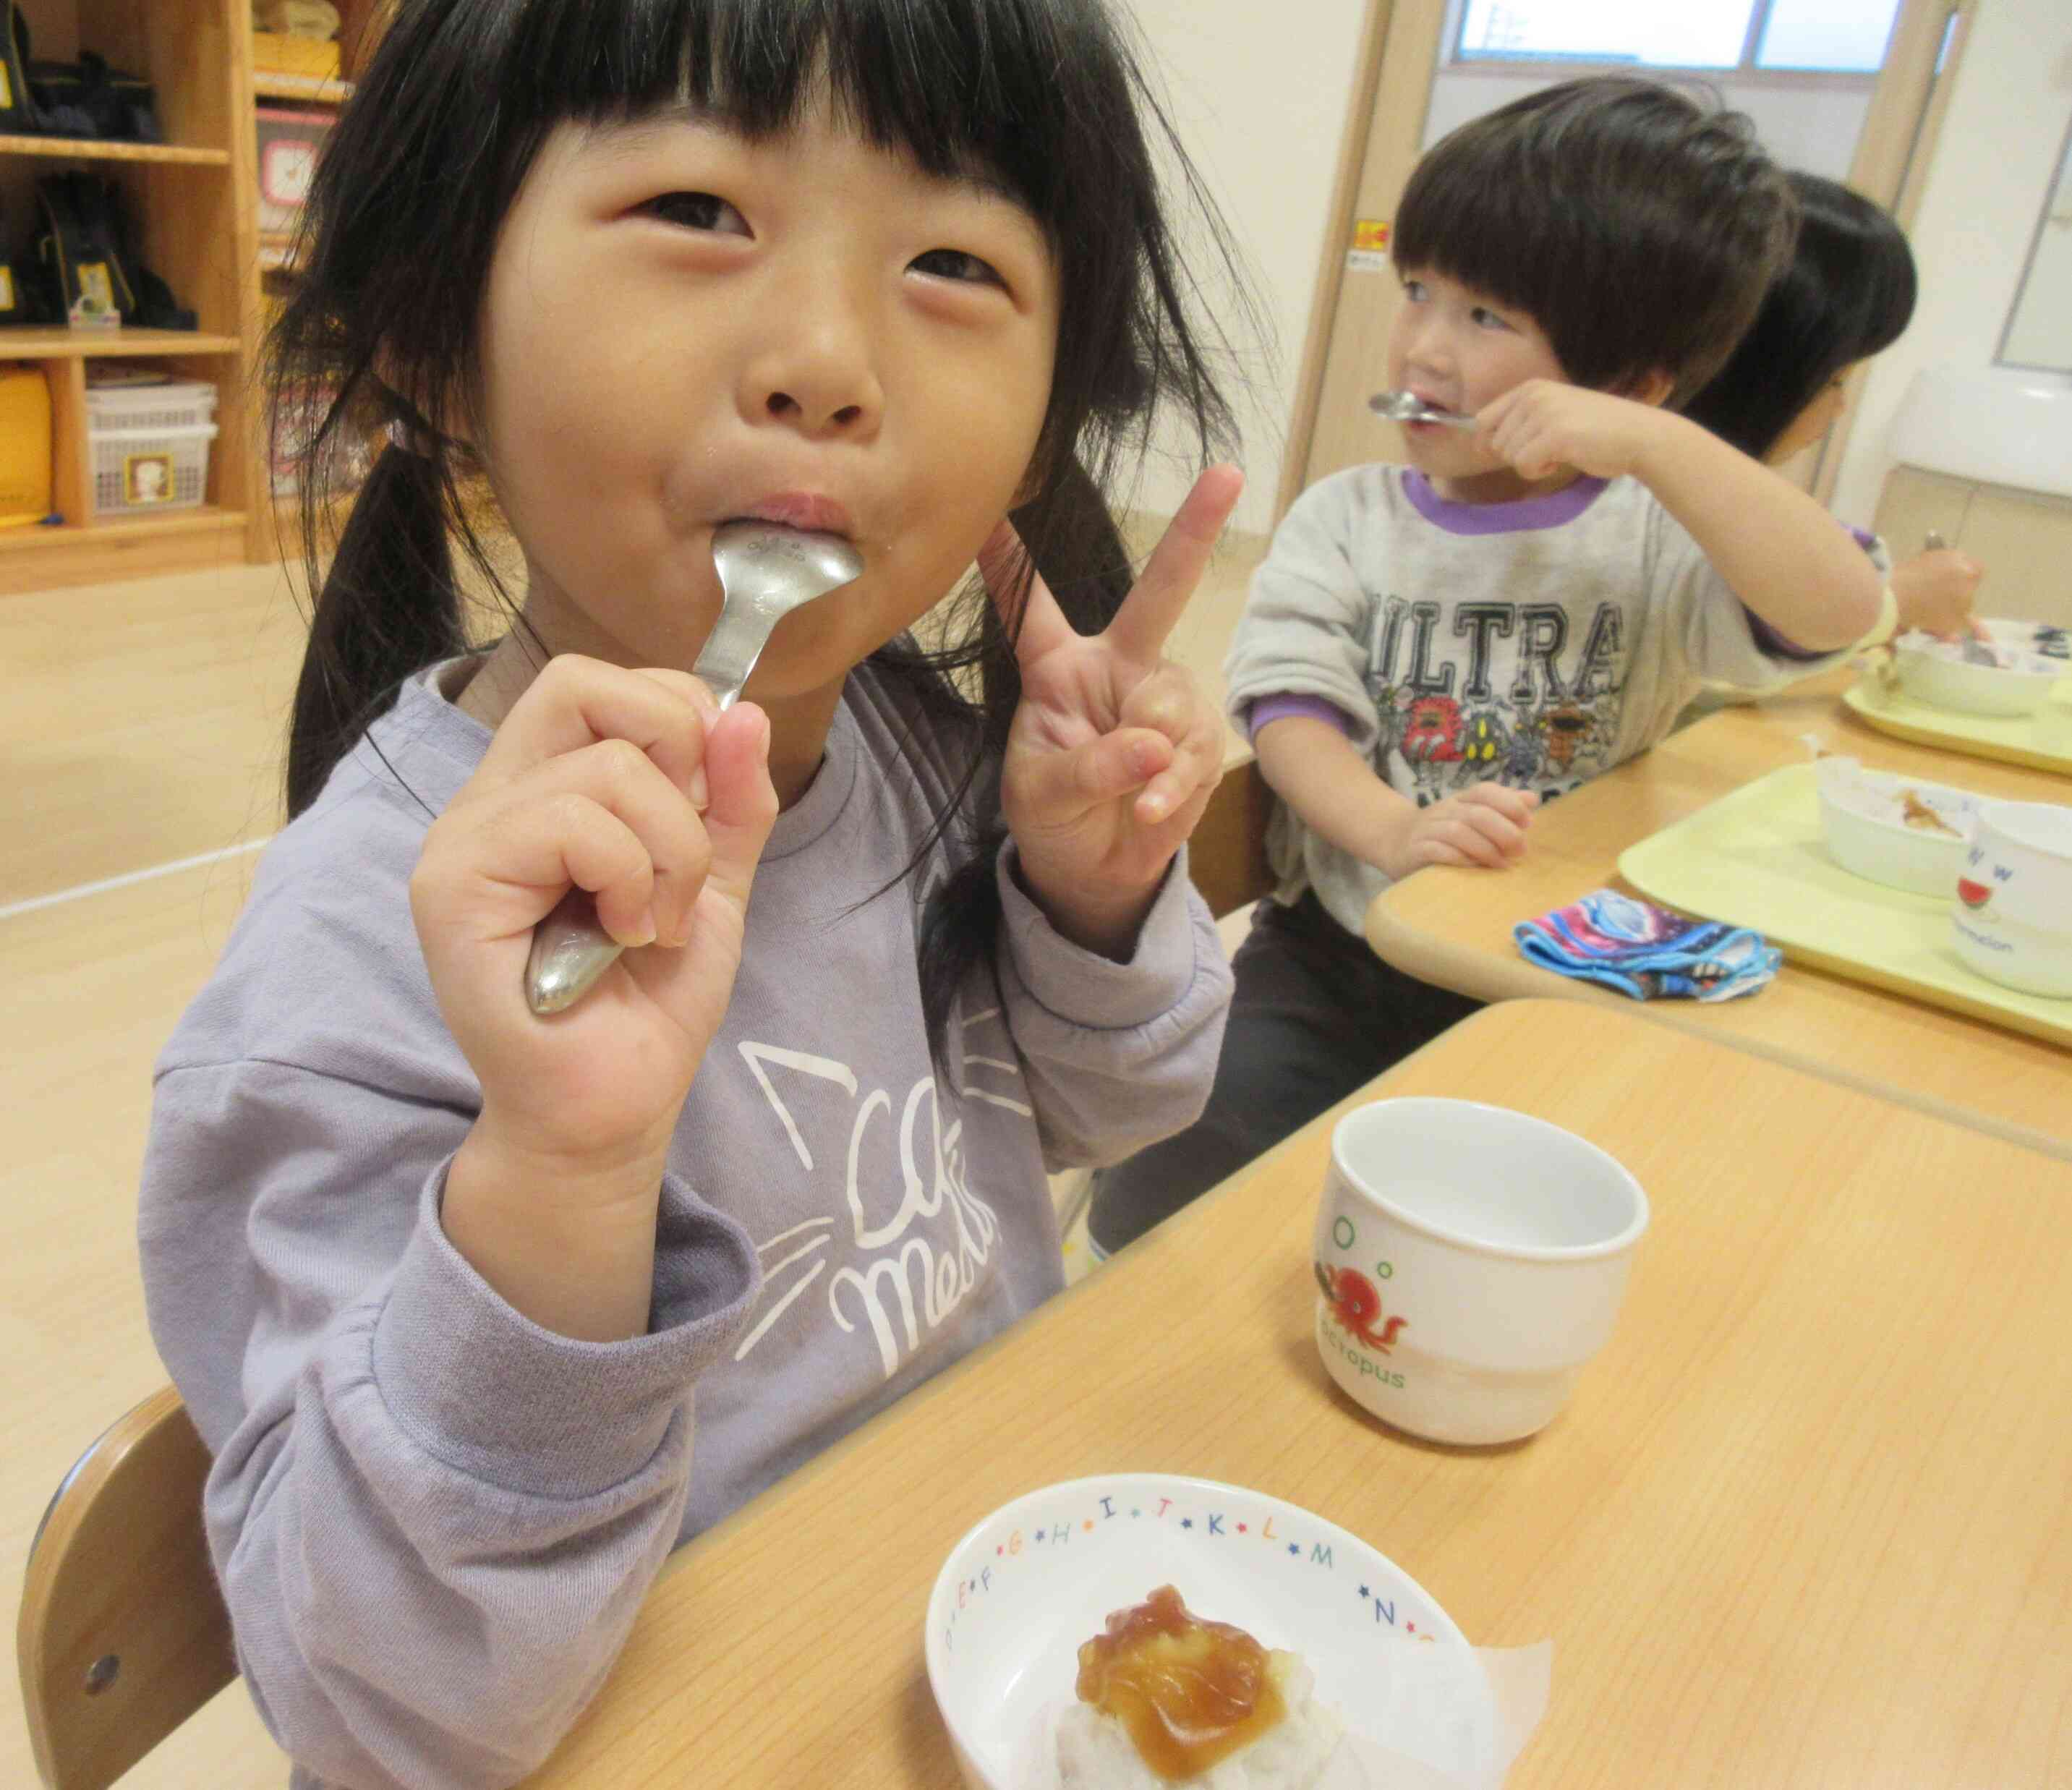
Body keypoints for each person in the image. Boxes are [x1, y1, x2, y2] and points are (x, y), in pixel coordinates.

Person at [136, 3, 1253, 1783]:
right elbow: (388, 1710)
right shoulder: (350, 967)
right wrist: (559, 1172)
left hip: (1004, 1632)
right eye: (697, 213)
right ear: (437, 329)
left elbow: (1111, 1112)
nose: (826, 359)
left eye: (952, 259)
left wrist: (1087, 895)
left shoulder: (915, 750)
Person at [1087, 77, 1888, 1257]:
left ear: (1624, 384)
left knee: (1559, 1227)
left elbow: (1841, 614)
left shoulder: (1652, 535)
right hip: (1343, 954)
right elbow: (1296, 717)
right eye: (1419, 292)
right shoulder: (1348, 517)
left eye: (1484, 319)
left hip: (1567, 984)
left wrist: (1661, 448)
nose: (1422, 345)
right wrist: (1390, 830)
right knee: (1180, 1168)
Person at [1684, 169, 1983, 640]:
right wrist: (1894, 599)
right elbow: (1710, 648)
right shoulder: (1644, 509)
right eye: (1835, 380)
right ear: (1755, 371)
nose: (1840, 407)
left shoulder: (1741, 503)